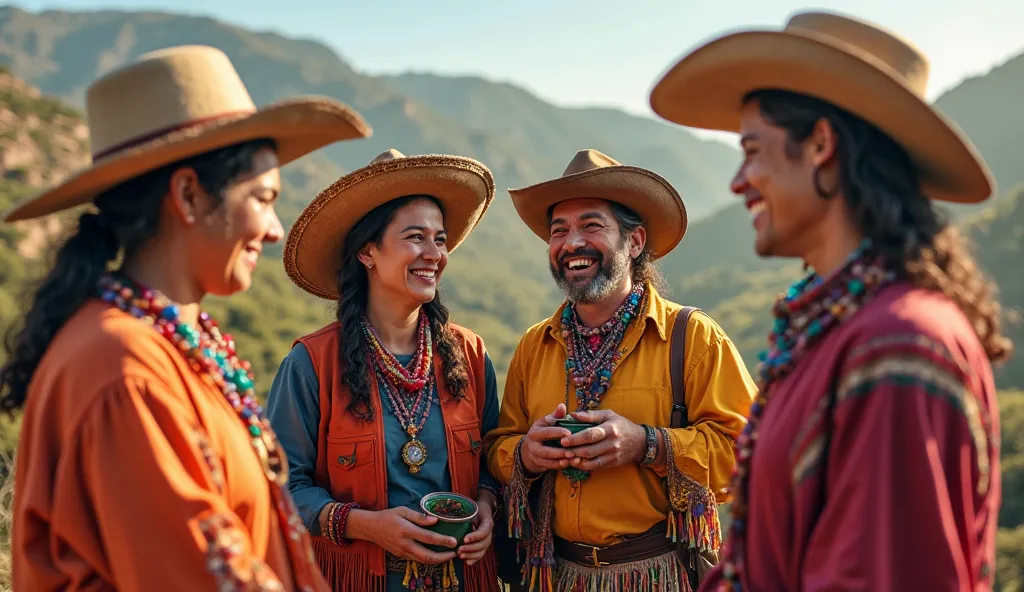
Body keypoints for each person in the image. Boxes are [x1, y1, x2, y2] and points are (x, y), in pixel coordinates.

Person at [648, 10, 1009, 591]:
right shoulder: (842, 332)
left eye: (753, 150)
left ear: (820, 143)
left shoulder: (897, 347)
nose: (739, 180)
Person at [0, 45, 372, 591]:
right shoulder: (124, 368)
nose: (273, 229)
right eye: (263, 198)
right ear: (190, 195)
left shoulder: (173, 344)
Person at [484, 148, 757, 592]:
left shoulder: (692, 337)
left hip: (658, 573)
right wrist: (527, 454)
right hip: (554, 576)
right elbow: (498, 446)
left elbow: (749, 455)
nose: (571, 243)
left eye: (591, 226)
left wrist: (646, 444)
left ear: (634, 242)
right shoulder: (536, 345)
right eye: (559, 231)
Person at [268, 149, 502, 592]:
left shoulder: (469, 353)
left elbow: (493, 459)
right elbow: (278, 488)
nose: (433, 253)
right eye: (415, 237)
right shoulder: (311, 363)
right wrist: (366, 525)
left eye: (440, 239)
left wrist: (489, 506)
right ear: (368, 253)